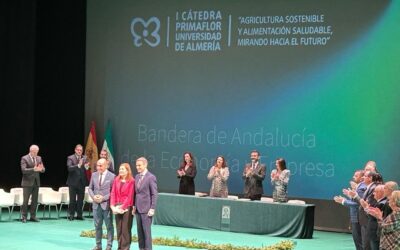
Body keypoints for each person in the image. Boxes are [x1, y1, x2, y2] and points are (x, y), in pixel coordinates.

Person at [334, 169, 366, 250]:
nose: (353, 177)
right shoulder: (360, 187)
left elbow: (358, 204)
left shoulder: (362, 188)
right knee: (358, 241)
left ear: (362, 178)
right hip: (356, 218)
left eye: (356, 176)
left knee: (359, 241)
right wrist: (349, 196)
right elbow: (356, 201)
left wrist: (343, 201)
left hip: (358, 218)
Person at [88, 158, 115, 250]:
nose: (98, 167)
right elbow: (90, 188)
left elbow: (113, 192)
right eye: (97, 165)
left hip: (106, 205)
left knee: (109, 226)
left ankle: (109, 246)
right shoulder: (94, 175)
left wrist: (103, 198)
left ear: (106, 165)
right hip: (96, 205)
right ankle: (98, 245)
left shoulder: (112, 176)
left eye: (100, 165)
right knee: (97, 226)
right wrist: (93, 197)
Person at [133, 157, 158, 250]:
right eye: (136, 165)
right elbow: (136, 193)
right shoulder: (136, 176)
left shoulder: (151, 177)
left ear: (145, 165)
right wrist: (134, 206)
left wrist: (152, 208)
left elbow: (154, 194)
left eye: (139, 165)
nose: (137, 167)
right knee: (140, 233)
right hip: (138, 210)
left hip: (147, 210)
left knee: (146, 233)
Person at [111, 163, 135, 250]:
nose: (120, 170)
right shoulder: (116, 179)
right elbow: (113, 193)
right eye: (120, 169)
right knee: (119, 228)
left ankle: (125, 248)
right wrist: (113, 206)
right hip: (117, 206)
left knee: (125, 229)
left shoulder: (132, 181)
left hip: (127, 207)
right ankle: (119, 247)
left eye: (123, 169)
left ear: (127, 171)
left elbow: (130, 196)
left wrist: (122, 207)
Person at [20, 144, 45, 223]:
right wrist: (33, 169)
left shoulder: (39, 158)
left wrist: (41, 169)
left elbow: (43, 169)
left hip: (36, 182)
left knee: (34, 200)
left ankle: (33, 216)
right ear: (30, 151)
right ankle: (24, 217)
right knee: (26, 201)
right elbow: (23, 170)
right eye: (34, 152)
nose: (36, 153)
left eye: (37, 152)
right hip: (27, 183)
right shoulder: (24, 158)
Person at [66, 144, 90, 220]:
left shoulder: (85, 157)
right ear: (75, 150)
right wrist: (78, 165)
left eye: (81, 150)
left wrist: (87, 167)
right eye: (78, 150)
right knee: (72, 200)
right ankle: (71, 215)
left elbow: (86, 168)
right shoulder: (70, 158)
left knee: (80, 200)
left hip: (82, 182)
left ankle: (79, 215)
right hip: (72, 183)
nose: (79, 151)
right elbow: (69, 168)